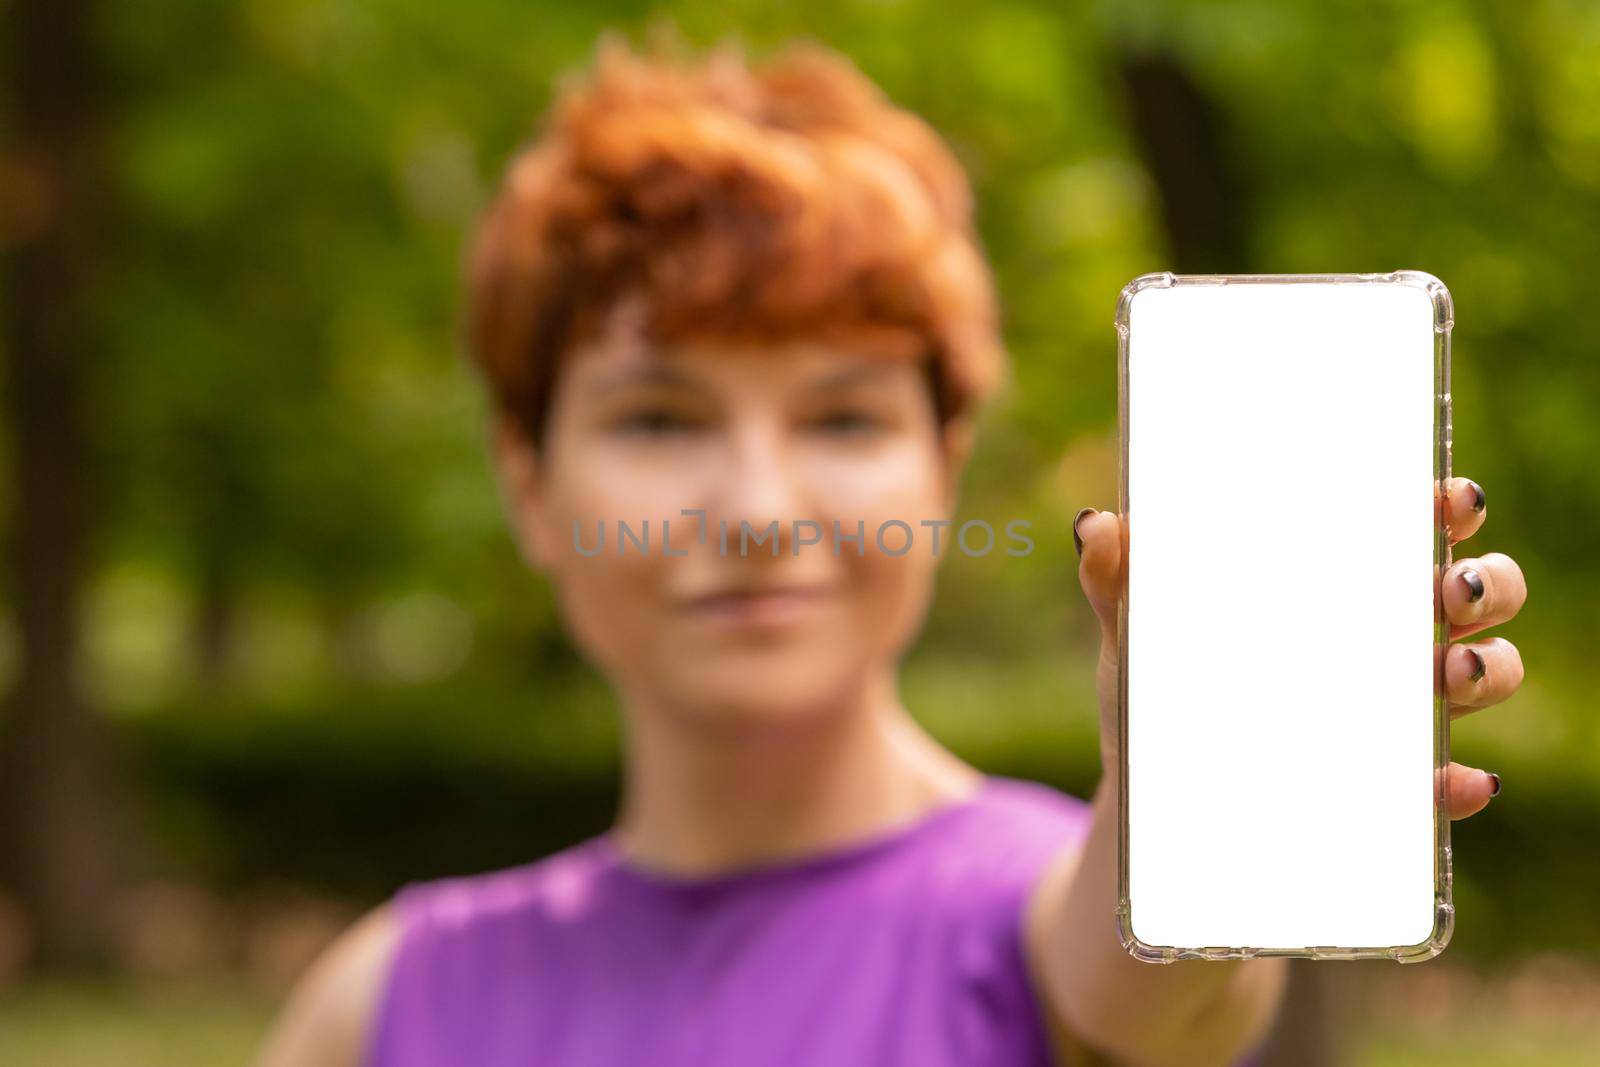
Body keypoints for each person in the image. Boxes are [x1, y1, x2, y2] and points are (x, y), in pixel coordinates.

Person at [255, 33, 1527, 1067]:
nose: (758, 506)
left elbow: (1168, 986)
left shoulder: (1038, 917)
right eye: (658, 415)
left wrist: (1190, 801)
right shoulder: (380, 1004)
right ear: (528, 478)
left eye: (844, 414)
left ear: (943, 462)